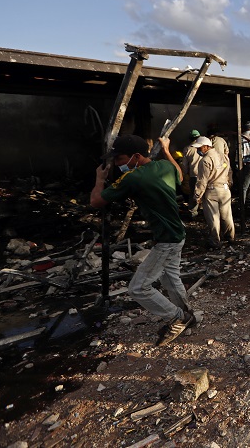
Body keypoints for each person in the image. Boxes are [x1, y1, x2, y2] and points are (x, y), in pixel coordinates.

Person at [90, 134, 195, 346]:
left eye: (120, 159)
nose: (118, 165)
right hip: (176, 234)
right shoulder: (165, 166)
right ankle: (186, 314)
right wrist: (166, 150)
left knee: (138, 288)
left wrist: (100, 180)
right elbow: (180, 175)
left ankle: (177, 318)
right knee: (170, 277)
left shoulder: (133, 178)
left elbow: (96, 201)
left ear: (136, 157)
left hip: (167, 239)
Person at [192, 136, 236, 248]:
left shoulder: (205, 160)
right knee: (227, 216)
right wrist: (229, 184)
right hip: (225, 190)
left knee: (213, 218)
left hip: (211, 191)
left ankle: (215, 241)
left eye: (199, 148)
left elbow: (202, 180)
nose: (198, 150)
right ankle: (230, 237)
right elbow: (229, 172)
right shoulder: (224, 157)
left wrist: (197, 195)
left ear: (206, 147)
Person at [181, 130, 203, 216]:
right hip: (205, 173)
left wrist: (185, 173)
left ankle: (193, 213)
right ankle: (203, 209)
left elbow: (184, 164)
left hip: (193, 174)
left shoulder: (187, 149)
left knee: (193, 193)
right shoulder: (205, 146)